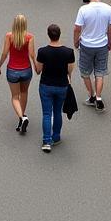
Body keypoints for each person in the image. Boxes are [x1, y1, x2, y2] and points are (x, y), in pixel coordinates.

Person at [33, 23, 75, 153]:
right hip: (62, 86)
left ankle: (46, 141)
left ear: (48, 35)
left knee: (47, 113)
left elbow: (38, 70)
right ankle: (56, 136)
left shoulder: (42, 51)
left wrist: (35, 61)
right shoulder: (68, 52)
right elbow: (70, 71)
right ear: (59, 34)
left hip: (46, 85)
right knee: (57, 112)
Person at [73, 0, 111, 110]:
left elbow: (77, 28)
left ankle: (91, 95)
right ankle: (99, 97)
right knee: (100, 72)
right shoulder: (108, 9)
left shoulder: (83, 10)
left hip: (86, 45)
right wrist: (109, 39)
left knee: (85, 72)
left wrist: (76, 41)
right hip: (102, 44)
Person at [0, 13, 35, 133]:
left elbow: (5, 53)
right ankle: (22, 116)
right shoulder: (30, 37)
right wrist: (36, 66)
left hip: (12, 70)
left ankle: (22, 117)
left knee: (14, 97)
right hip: (26, 70)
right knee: (24, 92)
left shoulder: (9, 36)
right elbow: (32, 54)